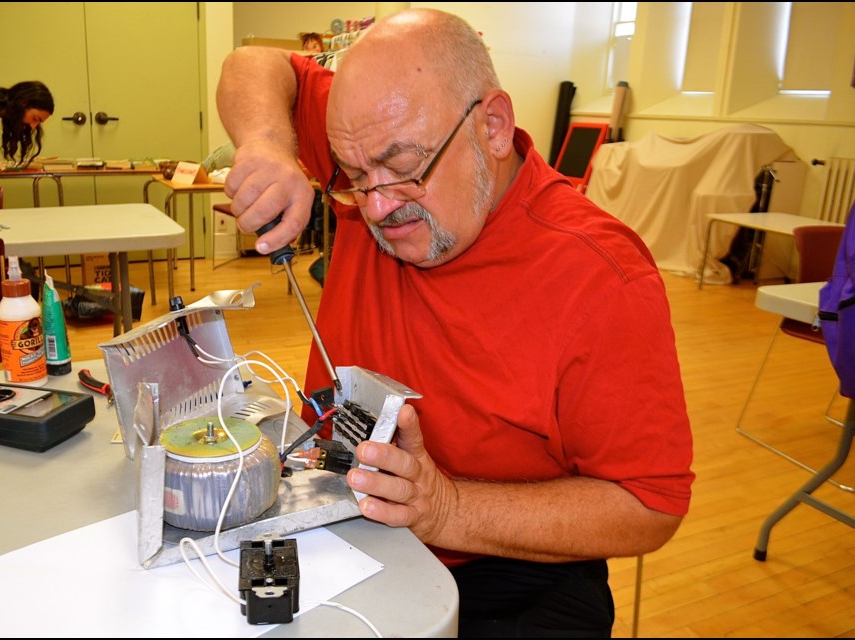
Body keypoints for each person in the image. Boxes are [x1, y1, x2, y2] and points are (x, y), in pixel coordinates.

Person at [217, 8, 694, 637]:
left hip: (506, 570)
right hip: (338, 521)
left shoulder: (599, 278)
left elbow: (648, 506)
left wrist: (445, 508)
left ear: (493, 126)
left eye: (405, 168)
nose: (379, 206)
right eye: (355, 177)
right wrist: (269, 144)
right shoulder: (376, 119)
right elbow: (253, 64)